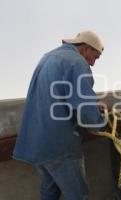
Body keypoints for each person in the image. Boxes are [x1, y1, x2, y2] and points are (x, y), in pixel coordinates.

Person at [13, 31, 105, 200]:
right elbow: (84, 109)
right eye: (95, 57)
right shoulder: (76, 63)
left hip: (38, 143)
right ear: (85, 49)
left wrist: (92, 103)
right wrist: (100, 121)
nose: (92, 63)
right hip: (59, 146)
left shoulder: (49, 57)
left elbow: (58, 94)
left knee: (50, 192)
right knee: (78, 196)